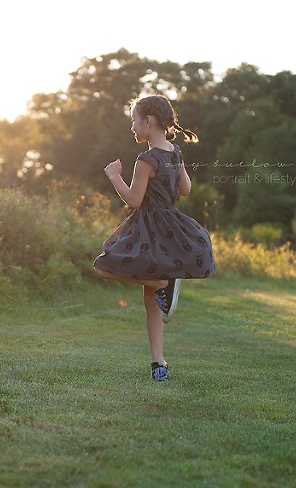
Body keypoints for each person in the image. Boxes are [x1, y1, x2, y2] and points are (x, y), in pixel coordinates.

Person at [93, 94, 215, 382]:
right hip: (170, 226)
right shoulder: (175, 152)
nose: (133, 127)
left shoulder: (146, 159)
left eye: (134, 121)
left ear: (148, 121)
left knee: (102, 266)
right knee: (151, 304)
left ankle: (161, 282)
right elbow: (185, 189)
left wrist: (114, 177)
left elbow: (134, 200)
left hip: (149, 226)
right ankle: (158, 365)